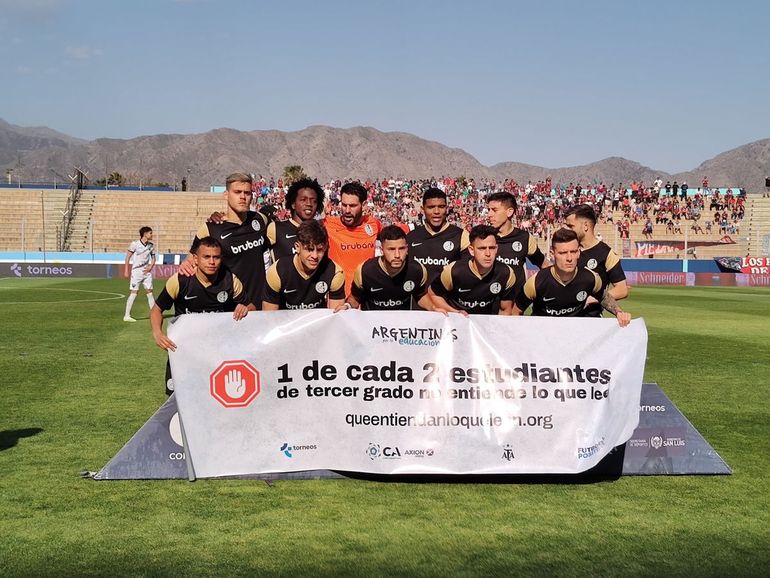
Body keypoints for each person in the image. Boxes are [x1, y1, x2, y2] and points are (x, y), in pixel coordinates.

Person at [151, 237, 253, 394]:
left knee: (216, 401)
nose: (212, 262)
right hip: (184, 353)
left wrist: (245, 308)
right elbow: (157, 310)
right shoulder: (180, 281)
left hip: (217, 355)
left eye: (216, 257)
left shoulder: (230, 280)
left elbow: (251, 306)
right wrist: (157, 333)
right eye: (206, 257)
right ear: (195, 258)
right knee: (177, 405)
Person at [179, 173, 270, 309]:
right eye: (237, 192)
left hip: (259, 306)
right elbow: (191, 263)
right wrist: (185, 265)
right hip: (228, 309)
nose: (243, 197)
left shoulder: (261, 219)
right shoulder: (210, 228)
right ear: (226, 195)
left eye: (247, 193)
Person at [513, 228, 631, 326]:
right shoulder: (536, 282)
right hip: (544, 338)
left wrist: (619, 312)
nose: (569, 258)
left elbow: (603, 296)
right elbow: (516, 312)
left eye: (573, 252)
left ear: (579, 252)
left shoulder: (591, 278)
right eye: (563, 253)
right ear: (552, 253)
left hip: (573, 339)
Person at [428, 225, 516, 316]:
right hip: (455, 323)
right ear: (471, 250)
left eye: (492, 248)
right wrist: (455, 313)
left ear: (497, 249)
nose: (488, 254)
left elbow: (505, 309)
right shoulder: (454, 271)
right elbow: (433, 294)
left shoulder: (506, 274)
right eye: (482, 248)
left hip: (485, 326)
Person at [262, 220, 345, 310]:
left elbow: (336, 316)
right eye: (309, 249)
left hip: (317, 322)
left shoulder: (335, 272)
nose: (315, 256)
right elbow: (269, 317)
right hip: (286, 322)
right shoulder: (277, 272)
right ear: (297, 247)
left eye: (320, 250)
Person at [347, 225, 434, 311]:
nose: (397, 255)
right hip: (372, 323)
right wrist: (347, 306)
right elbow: (355, 298)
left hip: (402, 323)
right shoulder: (365, 271)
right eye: (391, 249)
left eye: (401, 248)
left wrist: (433, 308)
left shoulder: (417, 270)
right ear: (382, 250)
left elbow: (420, 295)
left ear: (407, 249)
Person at [563, 204, 629, 317]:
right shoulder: (567, 250)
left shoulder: (606, 254)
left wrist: (594, 298)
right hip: (564, 319)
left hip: (591, 320)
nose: (567, 230)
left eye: (571, 226)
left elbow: (622, 289)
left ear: (585, 226)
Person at [485, 191, 548, 298]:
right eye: (488, 210)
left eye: (494, 210)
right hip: (487, 302)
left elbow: (544, 265)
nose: (489, 214)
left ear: (509, 212)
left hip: (513, 306)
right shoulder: (484, 237)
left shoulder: (524, 238)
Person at [324, 182, 383, 296]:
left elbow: (395, 238)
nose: (347, 210)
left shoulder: (374, 224)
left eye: (352, 206)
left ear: (364, 205)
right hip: (338, 298)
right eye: (344, 205)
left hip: (366, 298)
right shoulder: (327, 225)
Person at [406, 187, 469, 283]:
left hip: (447, 297)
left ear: (447, 208)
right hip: (418, 298)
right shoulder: (411, 237)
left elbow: (467, 274)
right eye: (431, 207)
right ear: (423, 209)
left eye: (441, 207)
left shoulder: (461, 236)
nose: (436, 212)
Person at [266, 178, 325, 262]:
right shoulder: (275, 228)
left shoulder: (320, 230)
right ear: (293, 204)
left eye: (314, 201)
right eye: (303, 200)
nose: (309, 204)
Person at [123, 226, 156, 322]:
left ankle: (154, 315)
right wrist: (126, 270)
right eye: (150, 233)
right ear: (145, 234)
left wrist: (151, 266)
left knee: (149, 292)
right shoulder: (135, 244)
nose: (152, 235)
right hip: (136, 272)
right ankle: (127, 315)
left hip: (146, 272)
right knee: (134, 292)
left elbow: (153, 258)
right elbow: (127, 257)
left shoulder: (151, 245)